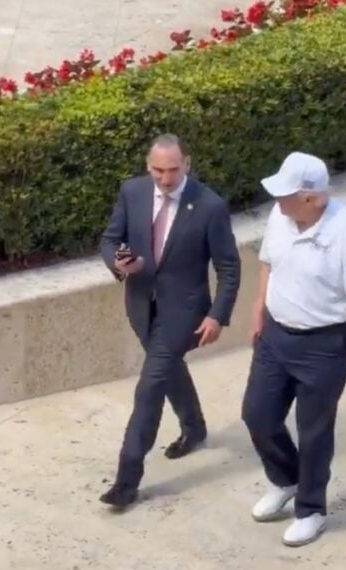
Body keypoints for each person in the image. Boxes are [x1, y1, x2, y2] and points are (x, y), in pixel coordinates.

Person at [97, 134, 241, 512]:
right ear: (148, 167)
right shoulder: (132, 192)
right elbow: (110, 240)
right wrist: (118, 263)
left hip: (184, 312)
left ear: (187, 164)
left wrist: (217, 315)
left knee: (149, 388)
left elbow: (229, 267)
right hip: (141, 306)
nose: (165, 178)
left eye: (173, 170)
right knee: (167, 369)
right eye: (158, 170)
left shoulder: (210, 206)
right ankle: (194, 428)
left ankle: (126, 482)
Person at [243, 152, 346, 547]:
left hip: (325, 345)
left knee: (314, 432)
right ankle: (286, 479)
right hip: (276, 335)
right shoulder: (281, 215)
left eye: (285, 194)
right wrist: (259, 307)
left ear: (310, 198)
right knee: (257, 414)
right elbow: (268, 262)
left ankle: (311, 509)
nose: (277, 200)